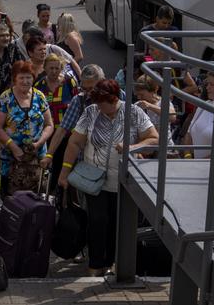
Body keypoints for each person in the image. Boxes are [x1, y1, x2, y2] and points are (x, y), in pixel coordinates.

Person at [58, 80, 159, 276]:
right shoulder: (90, 112)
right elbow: (75, 143)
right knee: (98, 220)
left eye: (103, 104)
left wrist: (132, 147)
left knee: (117, 224)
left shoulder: (133, 112)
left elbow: (154, 138)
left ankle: (113, 262)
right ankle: (95, 264)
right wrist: (65, 171)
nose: (100, 108)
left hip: (124, 181)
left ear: (114, 99)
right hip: (95, 180)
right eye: (97, 103)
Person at [0, 61, 54, 196]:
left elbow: (49, 125)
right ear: (15, 79)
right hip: (10, 157)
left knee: (35, 196)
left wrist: (39, 143)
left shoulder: (40, 97)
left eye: (28, 77)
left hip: (36, 156)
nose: (25, 81)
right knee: (10, 197)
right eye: (21, 77)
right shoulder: (6, 98)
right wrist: (14, 148)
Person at [46, 64, 109, 178]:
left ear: (103, 82)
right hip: (85, 162)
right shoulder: (79, 100)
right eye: (84, 88)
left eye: (92, 88)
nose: (88, 93)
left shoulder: (118, 96)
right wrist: (49, 155)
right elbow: (62, 129)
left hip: (110, 163)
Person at [36, 54, 81, 186]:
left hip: (67, 133)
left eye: (57, 68)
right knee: (50, 164)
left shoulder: (69, 82)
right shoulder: (39, 86)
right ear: (45, 68)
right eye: (51, 68)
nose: (54, 71)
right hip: (48, 132)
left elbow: (78, 103)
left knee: (65, 164)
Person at [134, 74, 177, 150]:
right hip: (147, 150)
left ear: (154, 90)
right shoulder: (138, 106)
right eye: (137, 95)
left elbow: (172, 117)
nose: (139, 97)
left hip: (166, 149)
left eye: (142, 94)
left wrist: (150, 106)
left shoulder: (164, 102)